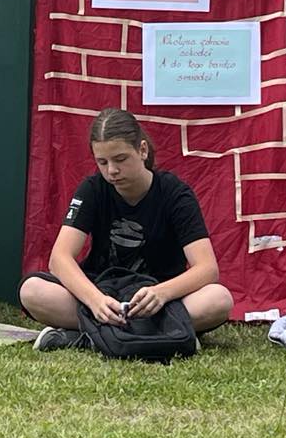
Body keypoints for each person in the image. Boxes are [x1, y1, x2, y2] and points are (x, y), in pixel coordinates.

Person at [18, 108, 233, 351]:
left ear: (142, 150)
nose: (112, 170)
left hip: (157, 301)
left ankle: (90, 336)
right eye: (102, 162)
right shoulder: (92, 189)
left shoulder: (175, 194)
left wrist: (161, 293)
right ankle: (168, 335)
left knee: (218, 299)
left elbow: (207, 268)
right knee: (32, 290)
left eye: (120, 159)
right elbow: (59, 259)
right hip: (103, 292)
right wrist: (96, 301)